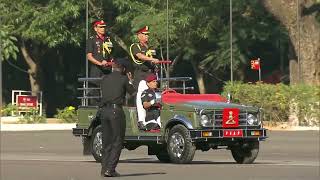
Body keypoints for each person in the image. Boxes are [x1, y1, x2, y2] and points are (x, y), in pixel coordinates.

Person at [99, 58, 135, 177]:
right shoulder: (124, 79)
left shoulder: (104, 78)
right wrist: (130, 81)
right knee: (117, 140)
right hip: (116, 111)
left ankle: (104, 169)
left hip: (104, 111)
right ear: (123, 69)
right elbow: (133, 93)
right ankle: (111, 169)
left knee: (106, 142)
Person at [86, 20, 114, 105]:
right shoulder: (92, 40)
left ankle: (108, 108)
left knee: (109, 90)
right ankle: (95, 110)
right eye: (100, 27)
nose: (103, 29)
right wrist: (100, 63)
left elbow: (111, 54)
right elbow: (89, 56)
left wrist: (112, 63)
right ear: (95, 28)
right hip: (96, 69)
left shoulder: (108, 39)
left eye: (104, 27)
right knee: (95, 90)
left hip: (107, 69)